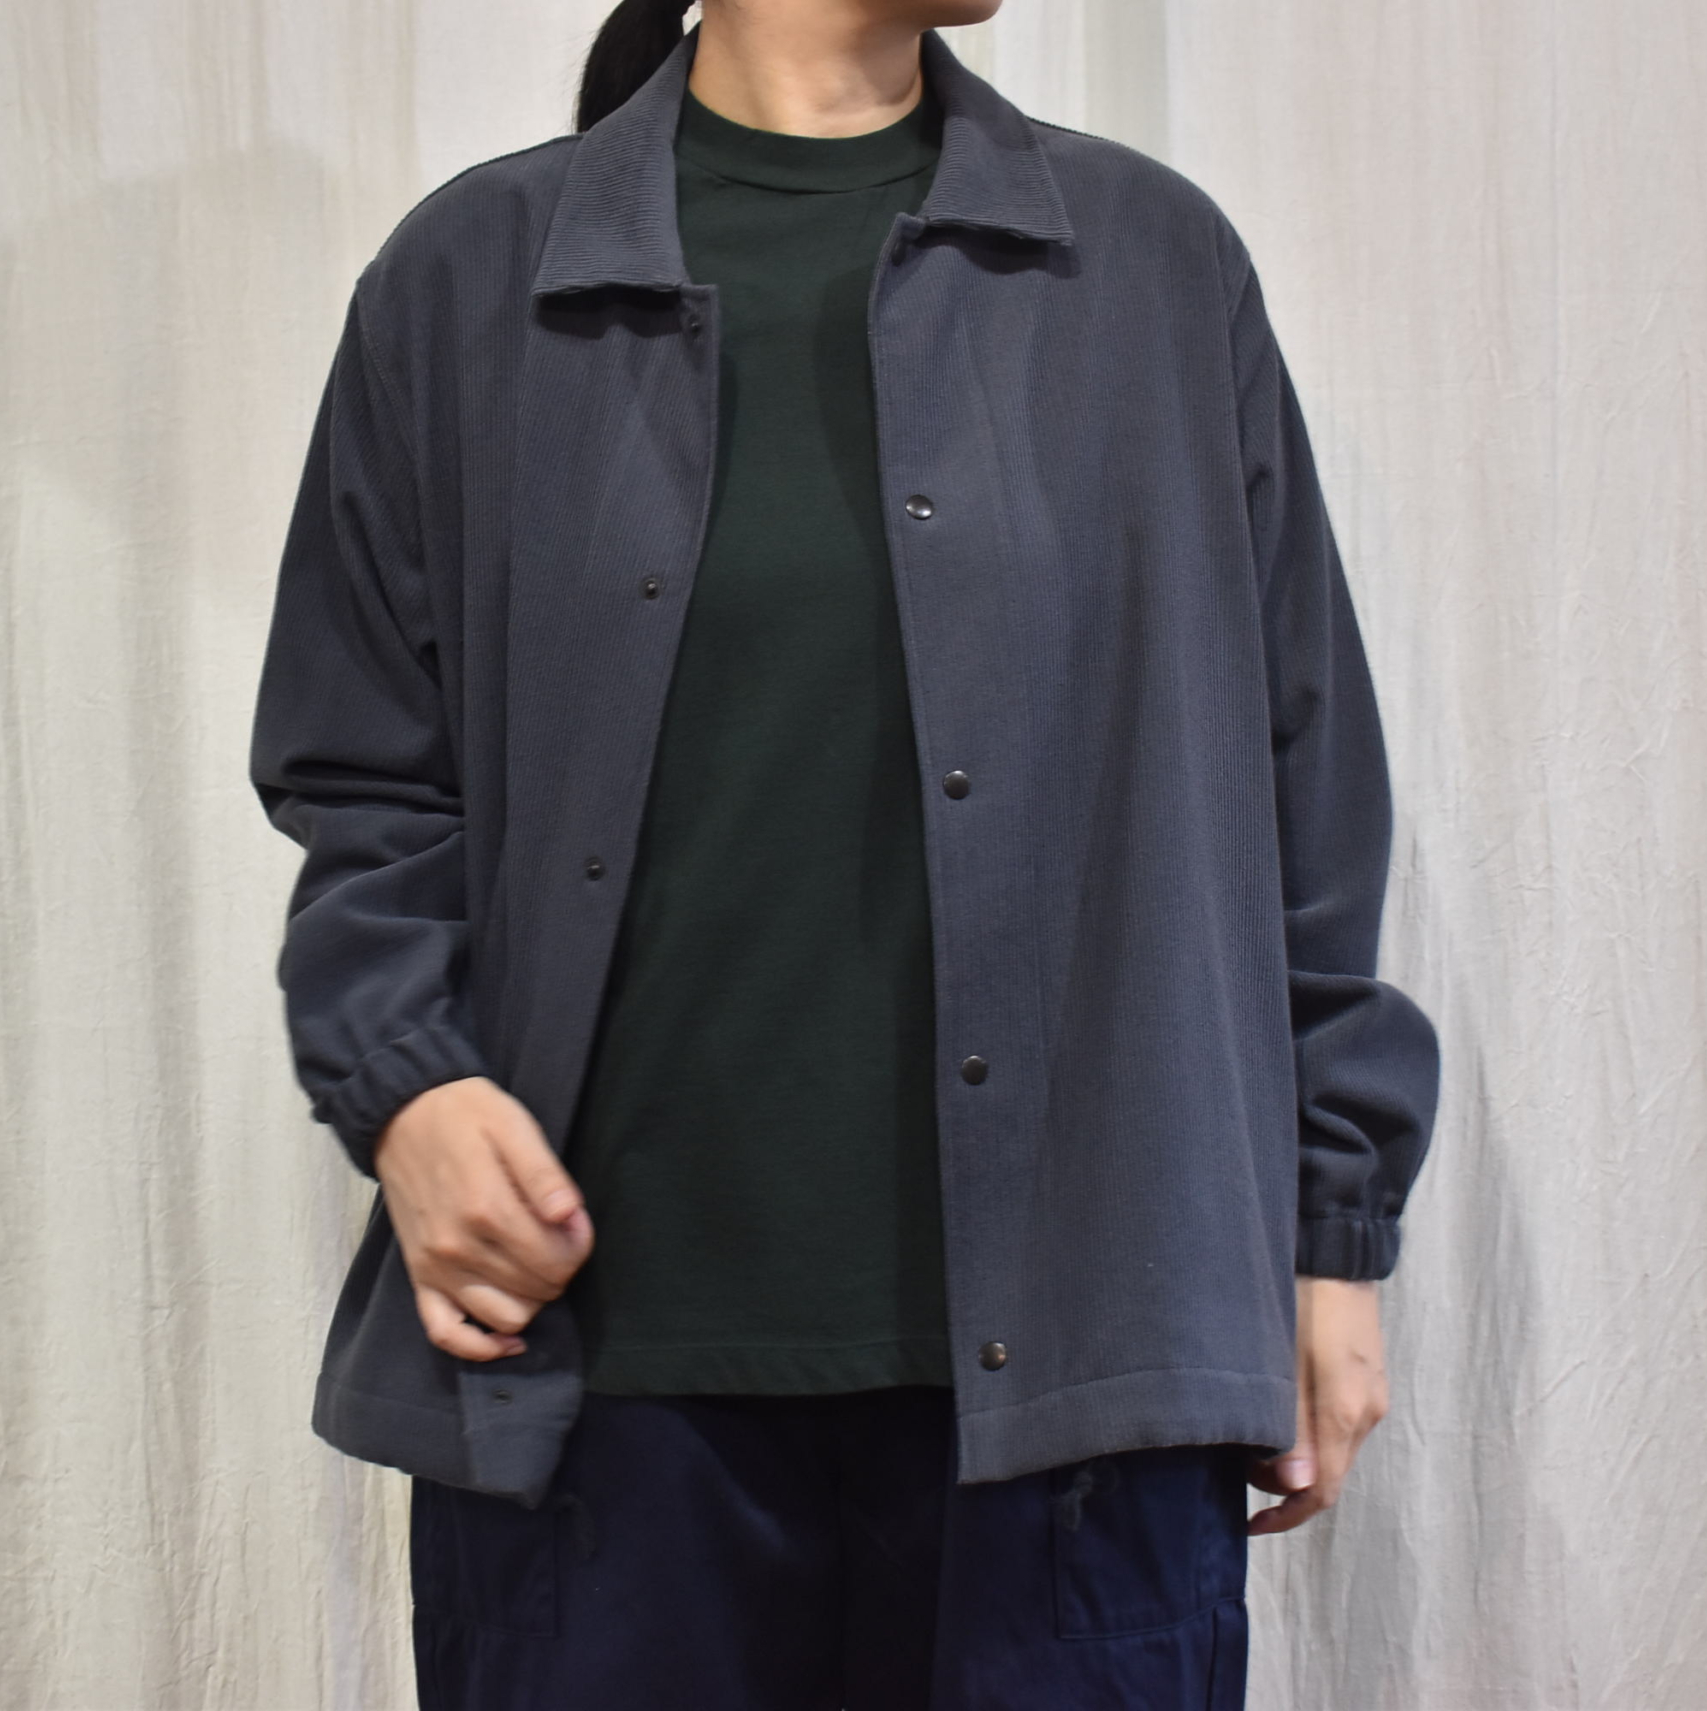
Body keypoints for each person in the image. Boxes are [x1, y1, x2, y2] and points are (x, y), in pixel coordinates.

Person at [247, 0, 1441, 1703]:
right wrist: (409, 1086)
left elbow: (1298, 785)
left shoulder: (1151, 271)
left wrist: (1330, 1230)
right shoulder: (473, 281)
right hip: (600, 1399)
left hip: (1081, 1382)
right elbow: (360, 771)